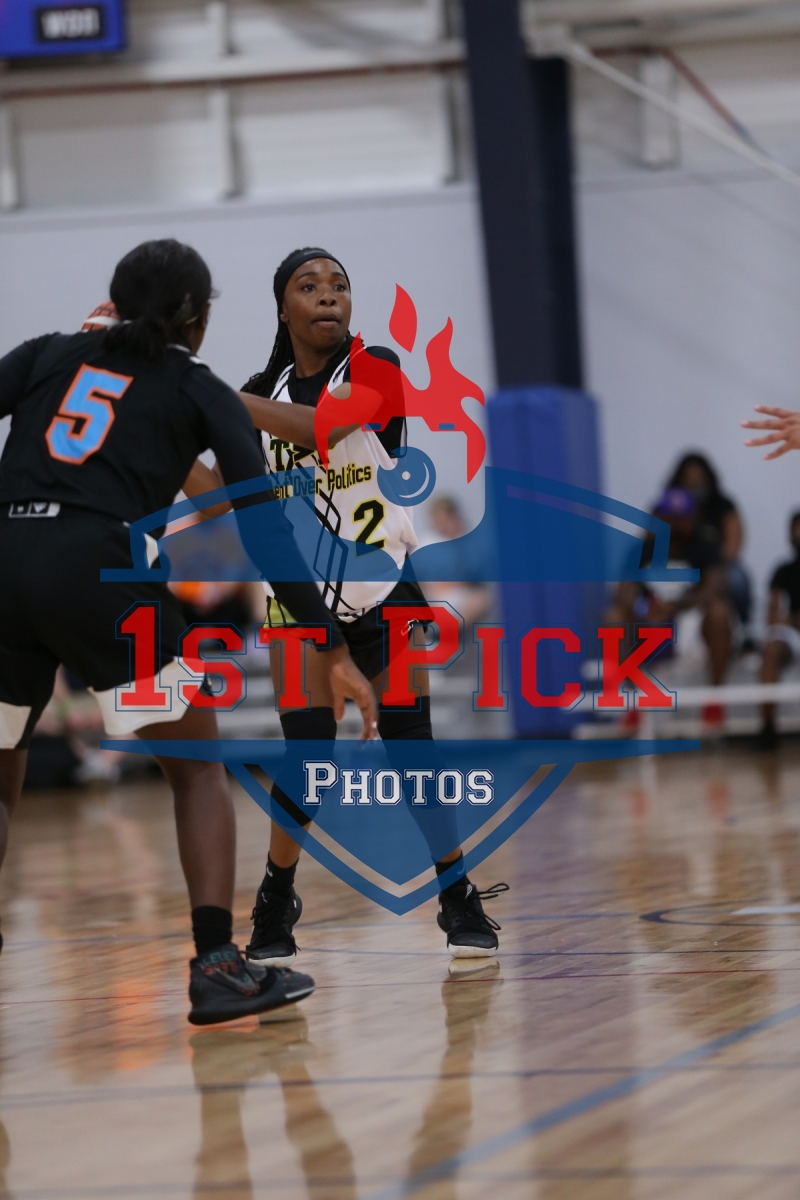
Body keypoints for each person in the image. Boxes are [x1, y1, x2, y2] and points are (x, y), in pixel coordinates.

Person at [0, 239, 377, 1025]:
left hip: (6, 561)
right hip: (99, 575)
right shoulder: (192, 383)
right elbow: (262, 527)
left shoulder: (46, 354)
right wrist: (332, 643)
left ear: (113, 303)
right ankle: (216, 966)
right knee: (196, 770)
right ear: (197, 317)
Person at [188, 246, 506, 964]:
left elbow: (324, 431)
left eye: (338, 284)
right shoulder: (260, 391)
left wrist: (208, 398)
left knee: (413, 748)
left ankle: (456, 893)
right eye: (309, 286)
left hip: (383, 587)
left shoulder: (375, 366)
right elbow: (215, 502)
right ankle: (276, 897)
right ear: (284, 309)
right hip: (300, 605)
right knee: (307, 758)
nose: (328, 294)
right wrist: (170, 428)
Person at [755, 511, 800, 748]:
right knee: (771, 649)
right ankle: (768, 727)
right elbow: (772, 616)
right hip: (792, 633)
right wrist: (792, 620)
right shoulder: (783, 572)